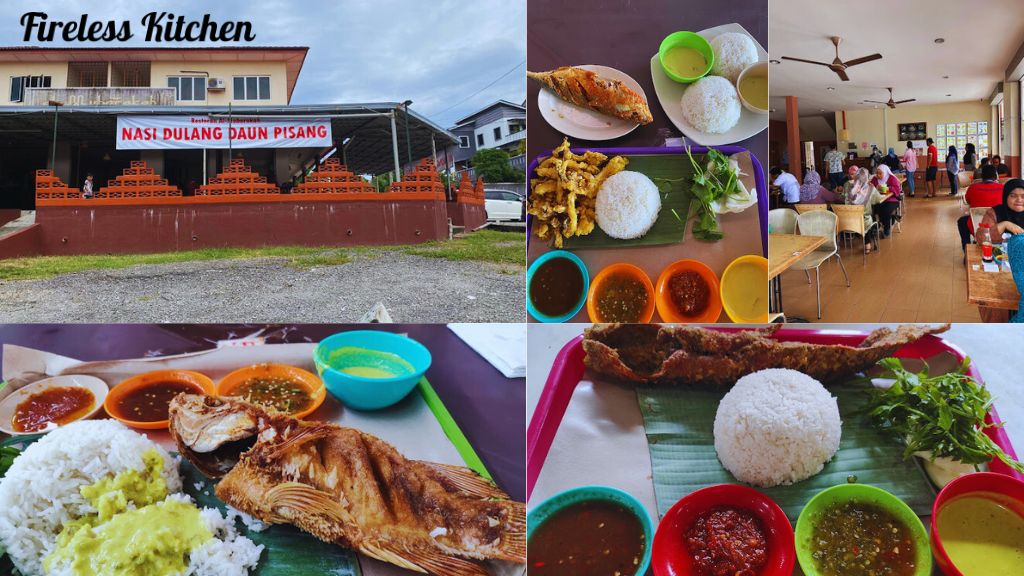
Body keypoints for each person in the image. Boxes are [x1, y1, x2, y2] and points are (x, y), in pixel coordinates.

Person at [957, 164, 1002, 250]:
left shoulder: (973, 188)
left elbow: (968, 200)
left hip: (976, 225)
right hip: (998, 226)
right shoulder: (1003, 188)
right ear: (996, 176)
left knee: (962, 222)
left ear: (982, 176)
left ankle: (967, 249)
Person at [845, 167, 884, 253]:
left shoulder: (847, 186)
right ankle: (867, 245)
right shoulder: (870, 188)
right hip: (862, 221)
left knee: (864, 216)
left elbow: (843, 197)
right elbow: (878, 200)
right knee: (868, 217)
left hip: (847, 221)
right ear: (867, 178)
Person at [871, 164, 902, 238]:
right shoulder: (875, 179)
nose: (878, 175)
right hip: (879, 199)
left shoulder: (892, 178)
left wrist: (888, 188)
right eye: (877, 173)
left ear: (885, 172)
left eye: (880, 173)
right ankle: (876, 227)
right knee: (872, 209)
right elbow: (870, 187)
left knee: (886, 210)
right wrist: (873, 186)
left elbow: (897, 190)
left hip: (891, 199)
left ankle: (886, 229)